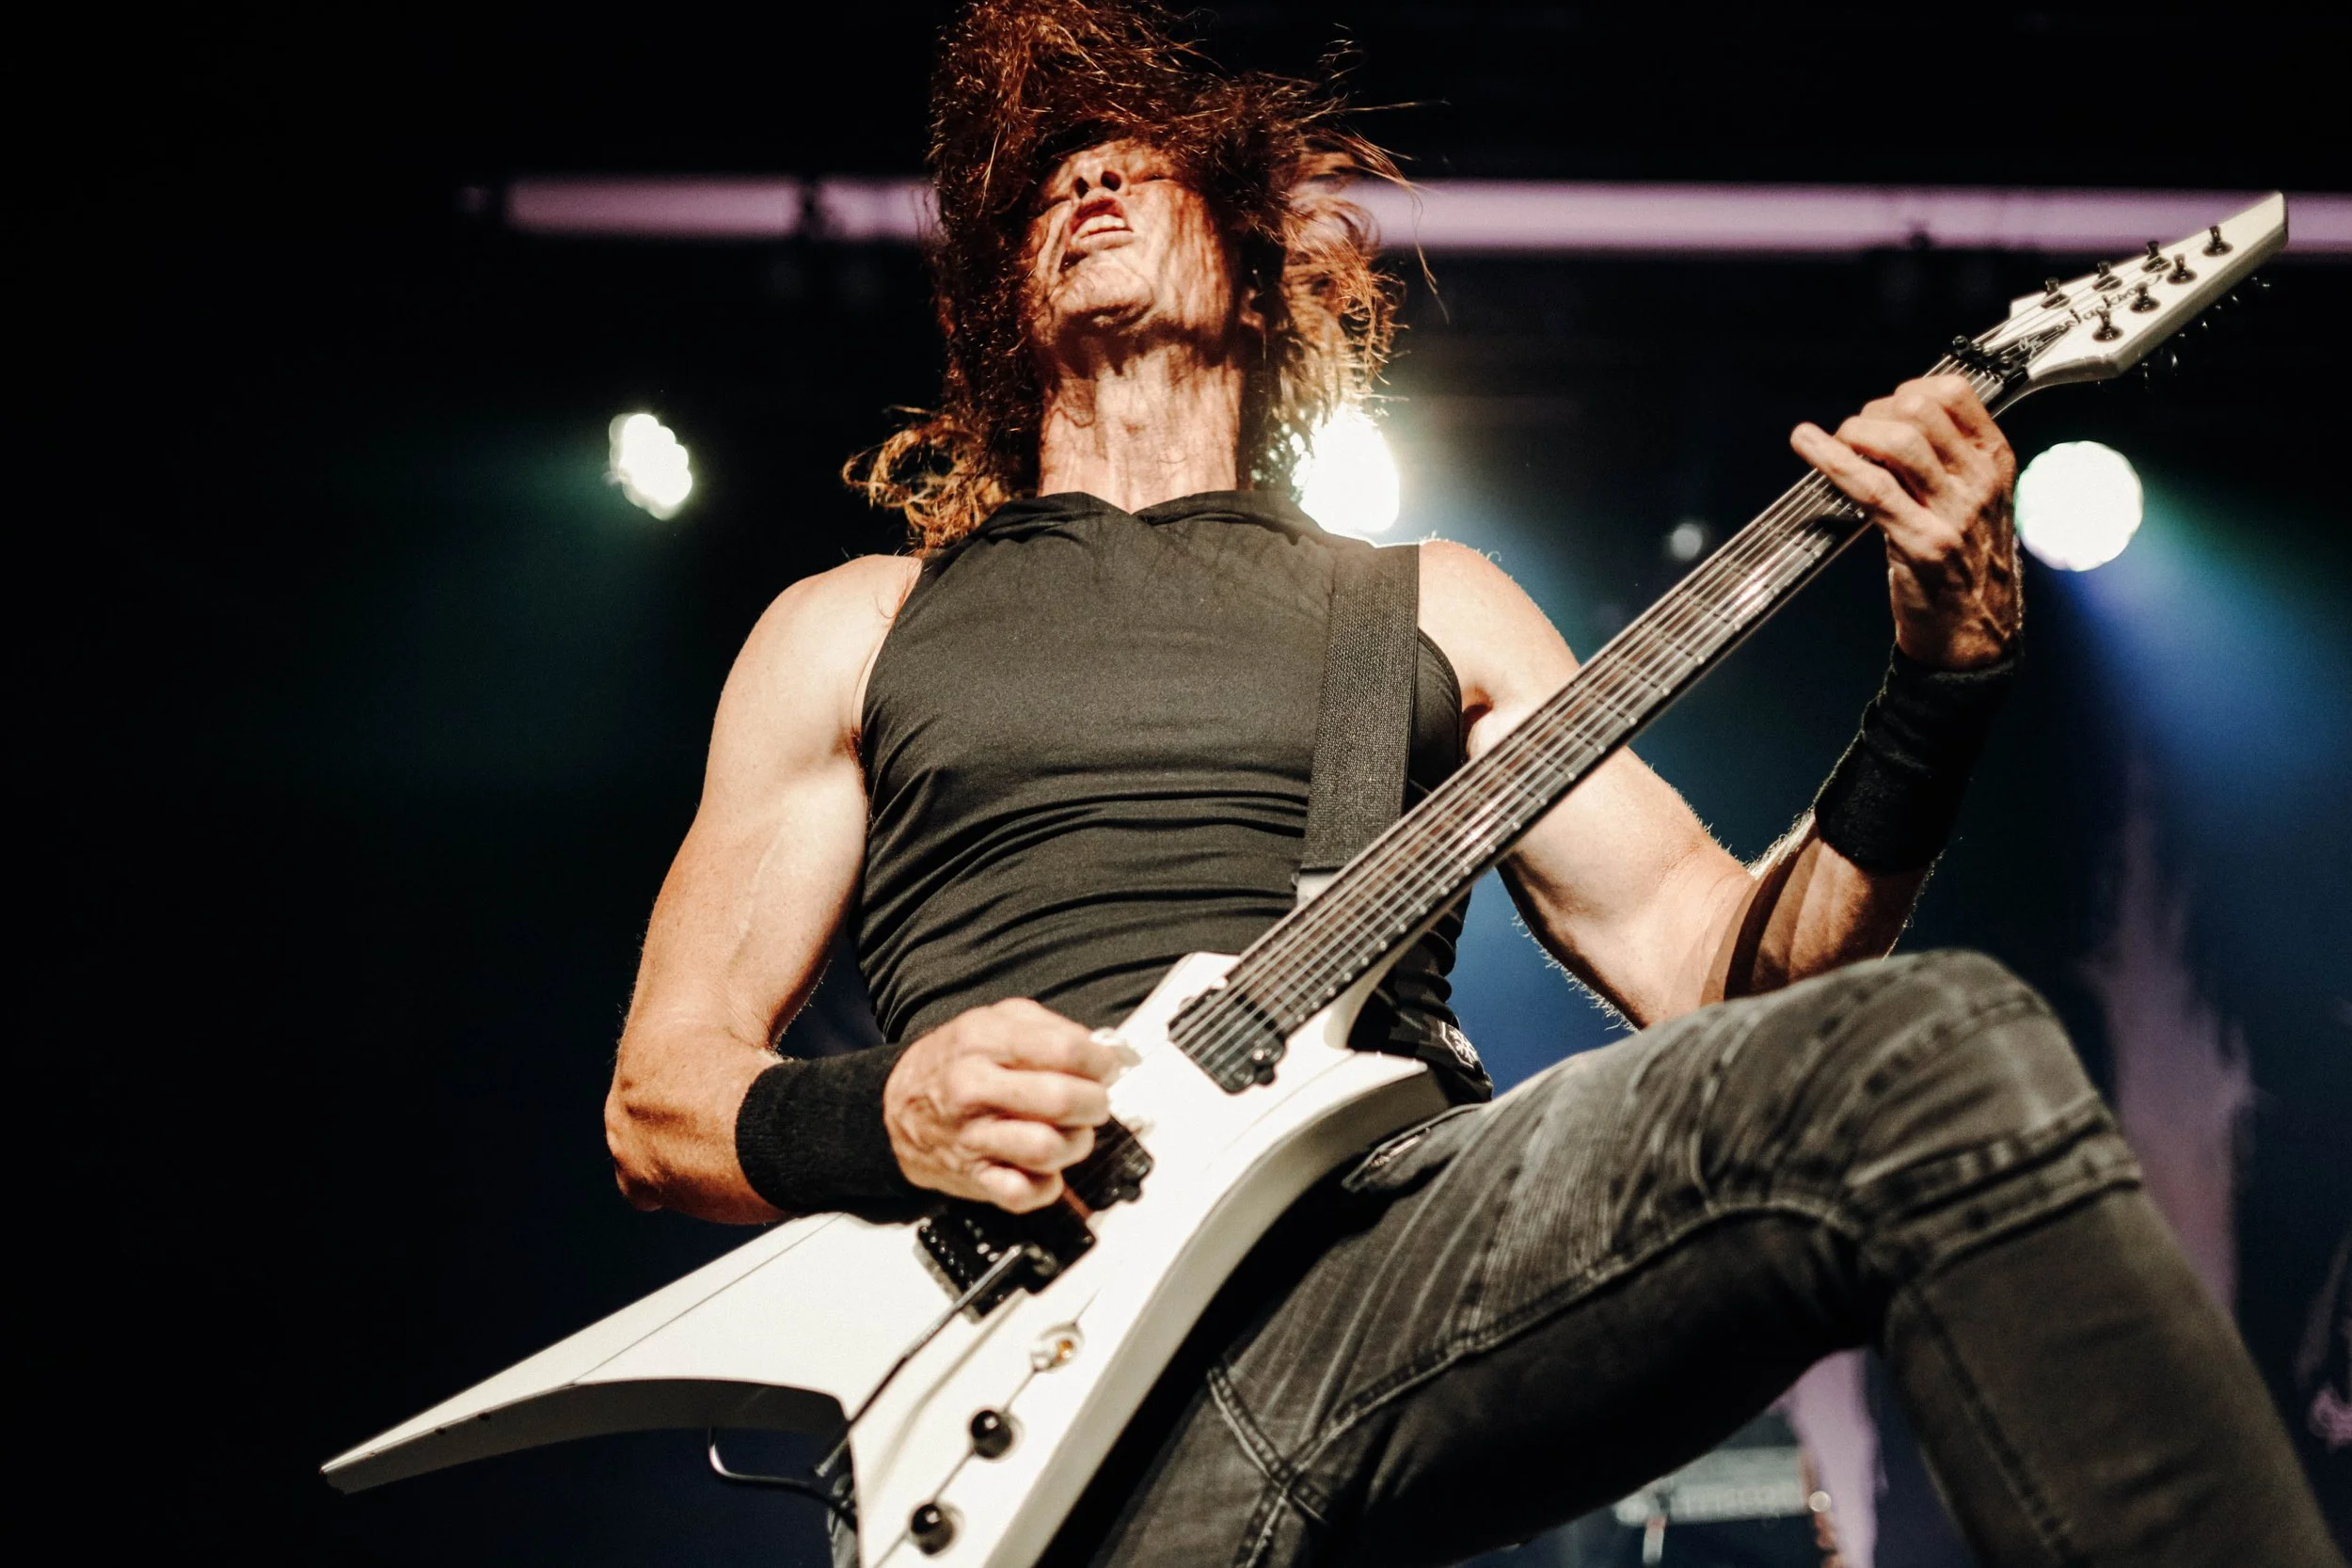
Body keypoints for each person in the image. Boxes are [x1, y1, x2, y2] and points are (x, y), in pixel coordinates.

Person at [600, 4, 2339, 1563]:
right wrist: (889, 1107)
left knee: (1924, 1052)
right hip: (1032, 1377)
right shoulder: (854, 626)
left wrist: (1942, 692)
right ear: (999, 279)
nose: (1090, 190)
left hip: (1379, 1270)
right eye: (1056, 177)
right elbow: (659, 1100)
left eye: (1144, 166)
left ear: (1267, 261)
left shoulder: (1429, 604)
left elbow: (1724, 972)